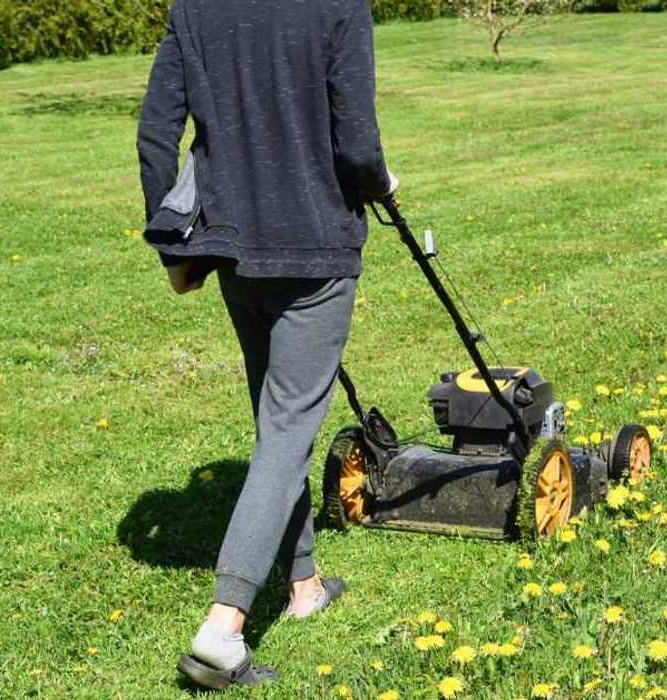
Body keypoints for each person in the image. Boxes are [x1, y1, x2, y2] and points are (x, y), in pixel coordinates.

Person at [136, 0, 398, 689]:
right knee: (285, 432)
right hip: (314, 251)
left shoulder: (194, 8)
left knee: (276, 425)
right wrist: (382, 182)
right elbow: (357, 142)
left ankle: (304, 583)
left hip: (234, 251)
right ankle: (223, 628)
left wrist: (171, 246)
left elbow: (153, 133)